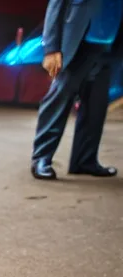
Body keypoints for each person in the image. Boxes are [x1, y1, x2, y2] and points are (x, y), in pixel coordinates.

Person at [31, 0, 123, 180]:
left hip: (109, 45)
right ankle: (42, 158)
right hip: (78, 42)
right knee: (59, 99)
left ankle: (84, 160)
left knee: (96, 106)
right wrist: (51, 48)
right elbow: (56, 6)